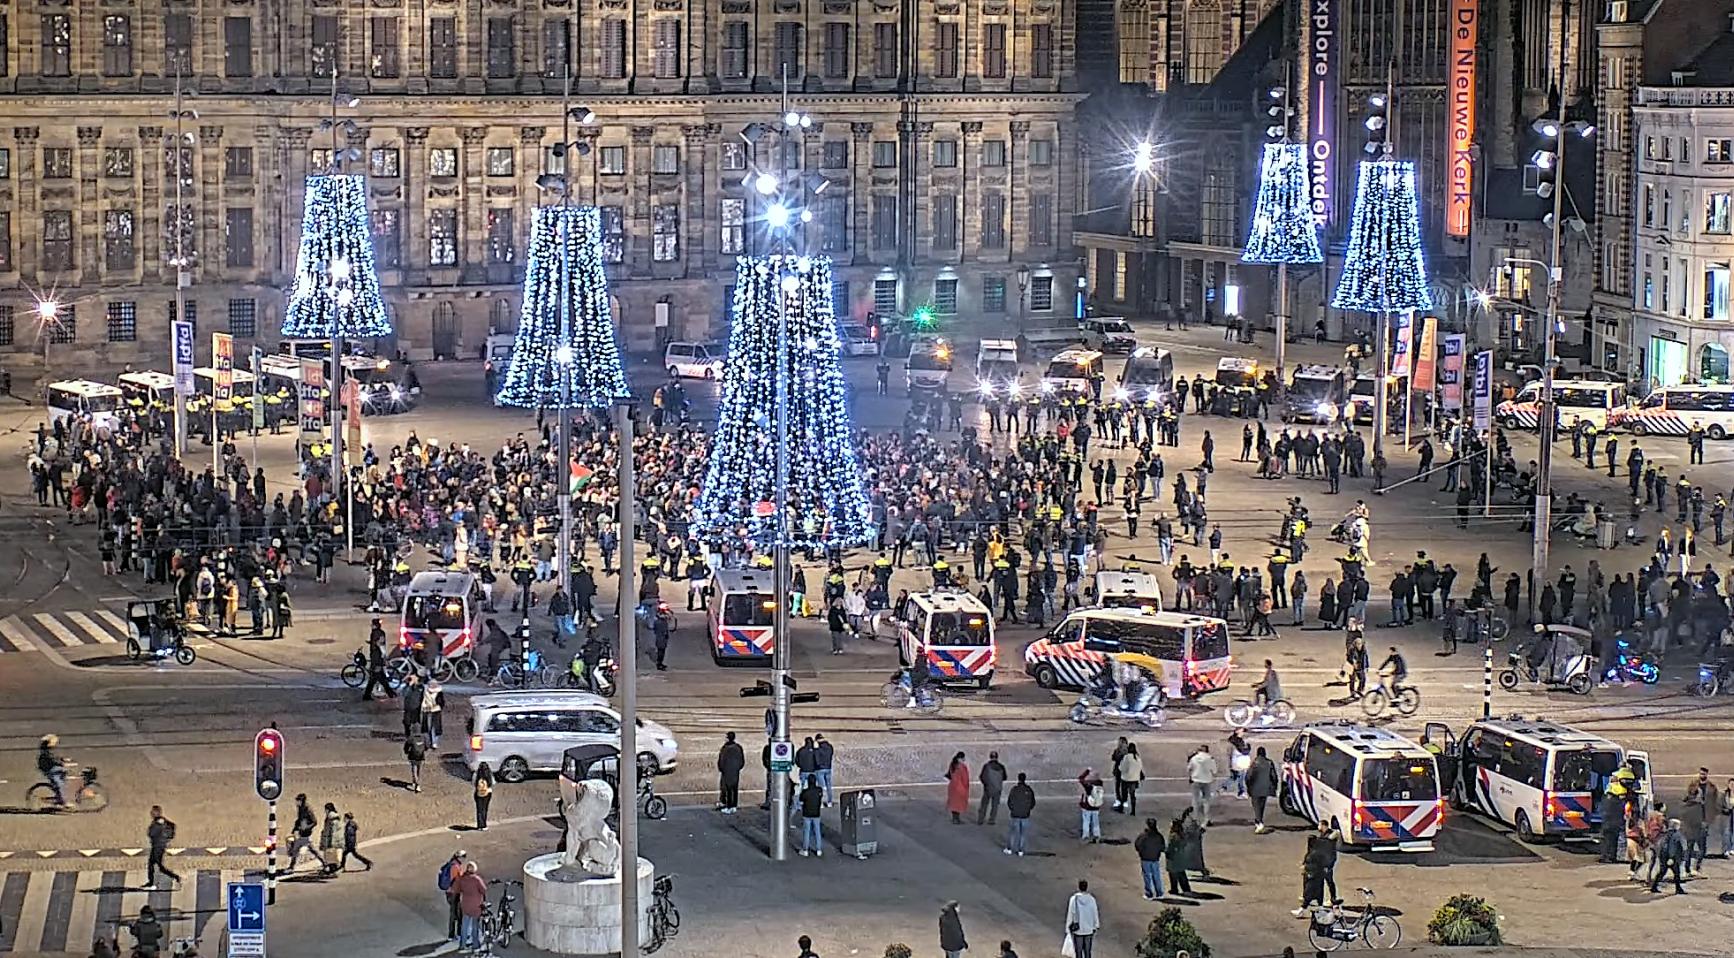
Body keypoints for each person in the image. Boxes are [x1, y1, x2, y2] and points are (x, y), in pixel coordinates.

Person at [286, 794, 326, 872]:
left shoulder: (308, 810)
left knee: (311, 850)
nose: (296, 802)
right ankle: (291, 866)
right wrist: (295, 829)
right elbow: (299, 820)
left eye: (298, 800)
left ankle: (325, 863)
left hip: (306, 834)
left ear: (302, 801)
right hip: (301, 834)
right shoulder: (300, 809)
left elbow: (314, 822)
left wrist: (306, 828)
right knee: (296, 849)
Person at [455, 860, 489, 950]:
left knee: (464, 925)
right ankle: (475, 944)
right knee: (475, 926)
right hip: (476, 906)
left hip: (465, 905)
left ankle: (462, 944)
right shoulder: (477, 879)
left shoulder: (462, 878)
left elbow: (458, 889)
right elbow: (484, 890)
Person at [146, 805, 181, 889]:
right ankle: (151, 882)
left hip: (158, 846)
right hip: (156, 845)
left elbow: (153, 832)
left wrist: (166, 837)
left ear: (157, 812)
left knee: (159, 866)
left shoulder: (160, 822)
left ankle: (176, 877)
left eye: (153, 812)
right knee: (151, 864)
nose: (151, 813)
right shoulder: (158, 821)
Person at [1650, 818, 1688, 894]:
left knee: (1663, 872)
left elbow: (1660, 845)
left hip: (1664, 856)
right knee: (1676, 873)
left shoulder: (1666, 834)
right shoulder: (1675, 835)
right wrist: (1671, 857)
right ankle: (1678, 888)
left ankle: (1654, 886)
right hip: (1671, 857)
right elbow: (1672, 846)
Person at [1247, 746, 1279, 833]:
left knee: (1256, 806)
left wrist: (1248, 787)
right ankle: (1259, 820)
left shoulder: (1254, 763)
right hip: (1266, 788)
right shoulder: (1269, 762)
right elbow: (1274, 776)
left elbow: (1248, 777)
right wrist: (1275, 786)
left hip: (1254, 788)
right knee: (1262, 806)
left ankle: (1259, 822)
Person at [1065, 880, 1100, 958]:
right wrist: (1096, 925)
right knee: (1088, 952)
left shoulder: (1074, 899)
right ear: (1086, 887)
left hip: (1078, 930)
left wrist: (1068, 927)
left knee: (1078, 952)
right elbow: (1095, 912)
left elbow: (1071, 914)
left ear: (1079, 887)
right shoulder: (1091, 899)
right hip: (1089, 929)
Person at [1134, 818, 1167, 900]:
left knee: (1147, 876)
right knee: (1156, 876)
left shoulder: (1143, 836)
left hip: (1145, 858)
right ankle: (1159, 893)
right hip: (1155, 858)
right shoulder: (1159, 836)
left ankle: (1149, 894)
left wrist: (1141, 852)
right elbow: (1162, 847)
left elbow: (1137, 845)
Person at [1186, 745, 1219, 825]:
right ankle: (1206, 820)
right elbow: (1214, 771)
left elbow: (1188, 769)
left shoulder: (1194, 758)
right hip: (1206, 781)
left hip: (1196, 780)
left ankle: (1195, 819)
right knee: (1206, 800)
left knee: (1195, 800)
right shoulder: (1210, 758)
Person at [1005, 772, 1036, 855]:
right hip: (1025, 815)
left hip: (1015, 814)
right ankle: (1020, 850)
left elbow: (1009, 801)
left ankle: (1009, 848)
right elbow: (1033, 802)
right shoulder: (1029, 790)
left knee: (1013, 832)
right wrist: (1028, 810)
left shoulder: (1014, 789)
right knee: (1023, 833)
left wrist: (1012, 809)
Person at [441, 850, 468, 941]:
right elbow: (456, 880)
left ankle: (454, 934)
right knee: (457, 914)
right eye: (463, 857)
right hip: (454, 893)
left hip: (450, 893)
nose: (464, 859)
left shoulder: (452, 864)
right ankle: (456, 934)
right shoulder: (455, 867)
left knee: (455, 913)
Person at [716, 731, 745, 815]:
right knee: (734, 789)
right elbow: (742, 761)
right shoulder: (738, 747)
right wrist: (738, 768)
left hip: (727, 771)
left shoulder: (725, 748)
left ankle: (728, 806)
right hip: (735, 771)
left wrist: (722, 769)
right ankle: (734, 806)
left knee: (727, 789)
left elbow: (721, 761)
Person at [1164, 818, 1194, 896]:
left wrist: (1166, 851)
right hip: (1181, 856)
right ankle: (1186, 889)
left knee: (1173, 875)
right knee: (1181, 873)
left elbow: (1170, 847)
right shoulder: (1182, 835)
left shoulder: (1173, 836)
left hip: (1173, 858)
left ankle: (1174, 889)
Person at [978, 751, 1007, 825]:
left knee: (984, 804)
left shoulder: (986, 766)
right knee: (995, 805)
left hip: (988, 788)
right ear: (997, 757)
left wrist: (986, 784)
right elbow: (1005, 777)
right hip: (997, 789)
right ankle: (992, 820)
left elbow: (982, 777)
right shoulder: (1001, 766)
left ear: (990, 757)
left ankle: (981, 819)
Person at [798, 775, 825, 857]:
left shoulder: (805, 792)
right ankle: (819, 849)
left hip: (807, 814)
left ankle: (805, 849)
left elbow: (801, 799)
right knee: (817, 832)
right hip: (816, 814)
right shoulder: (819, 790)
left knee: (806, 832)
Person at [37, 734, 67, 806]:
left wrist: (62, 760)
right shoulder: (45, 751)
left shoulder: (46, 750)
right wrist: (61, 763)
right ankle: (62, 800)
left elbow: (53, 758)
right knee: (59, 783)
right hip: (49, 769)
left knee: (63, 776)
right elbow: (51, 759)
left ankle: (60, 796)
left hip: (50, 767)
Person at [1078, 768, 1105, 842]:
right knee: (1096, 821)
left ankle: (1086, 835)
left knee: (1086, 821)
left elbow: (1080, 778)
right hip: (1096, 806)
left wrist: (1087, 771)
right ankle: (1096, 835)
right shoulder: (1100, 785)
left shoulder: (1089, 786)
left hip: (1087, 806)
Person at [1116, 744, 1145, 815]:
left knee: (1124, 795)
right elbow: (1140, 768)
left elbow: (1122, 768)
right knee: (1132, 795)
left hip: (1126, 779)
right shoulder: (1137, 758)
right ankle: (1133, 810)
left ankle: (1121, 809)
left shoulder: (1126, 757)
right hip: (1134, 779)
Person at [944, 752, 970, 824]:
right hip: (960, 788)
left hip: (952, 786)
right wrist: (966, 786)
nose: (964, 760)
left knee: (954, 804)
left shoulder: (952, 765)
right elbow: (965, 779)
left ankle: (954, 818)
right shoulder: (962, 767)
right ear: (960, 758)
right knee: (958, 804)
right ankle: (957, 819)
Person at [404, 728, 428, 793]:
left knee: (414, 770)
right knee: (419, 770)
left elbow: (406, 746)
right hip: (421, 756)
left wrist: (406, 752)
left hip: (413, 756)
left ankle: (417, 784)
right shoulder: (423, 737)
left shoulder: (411, 737)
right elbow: (427, 746)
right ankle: (415, 783)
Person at [473, 762, 494, 830]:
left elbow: (473, 782)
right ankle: (484, 825)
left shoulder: (476, 774)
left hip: (478, 793)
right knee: (485, 809)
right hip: (487, 793)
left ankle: (480, 825)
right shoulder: (489, 774)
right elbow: (493, 783)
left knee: (479, 809)